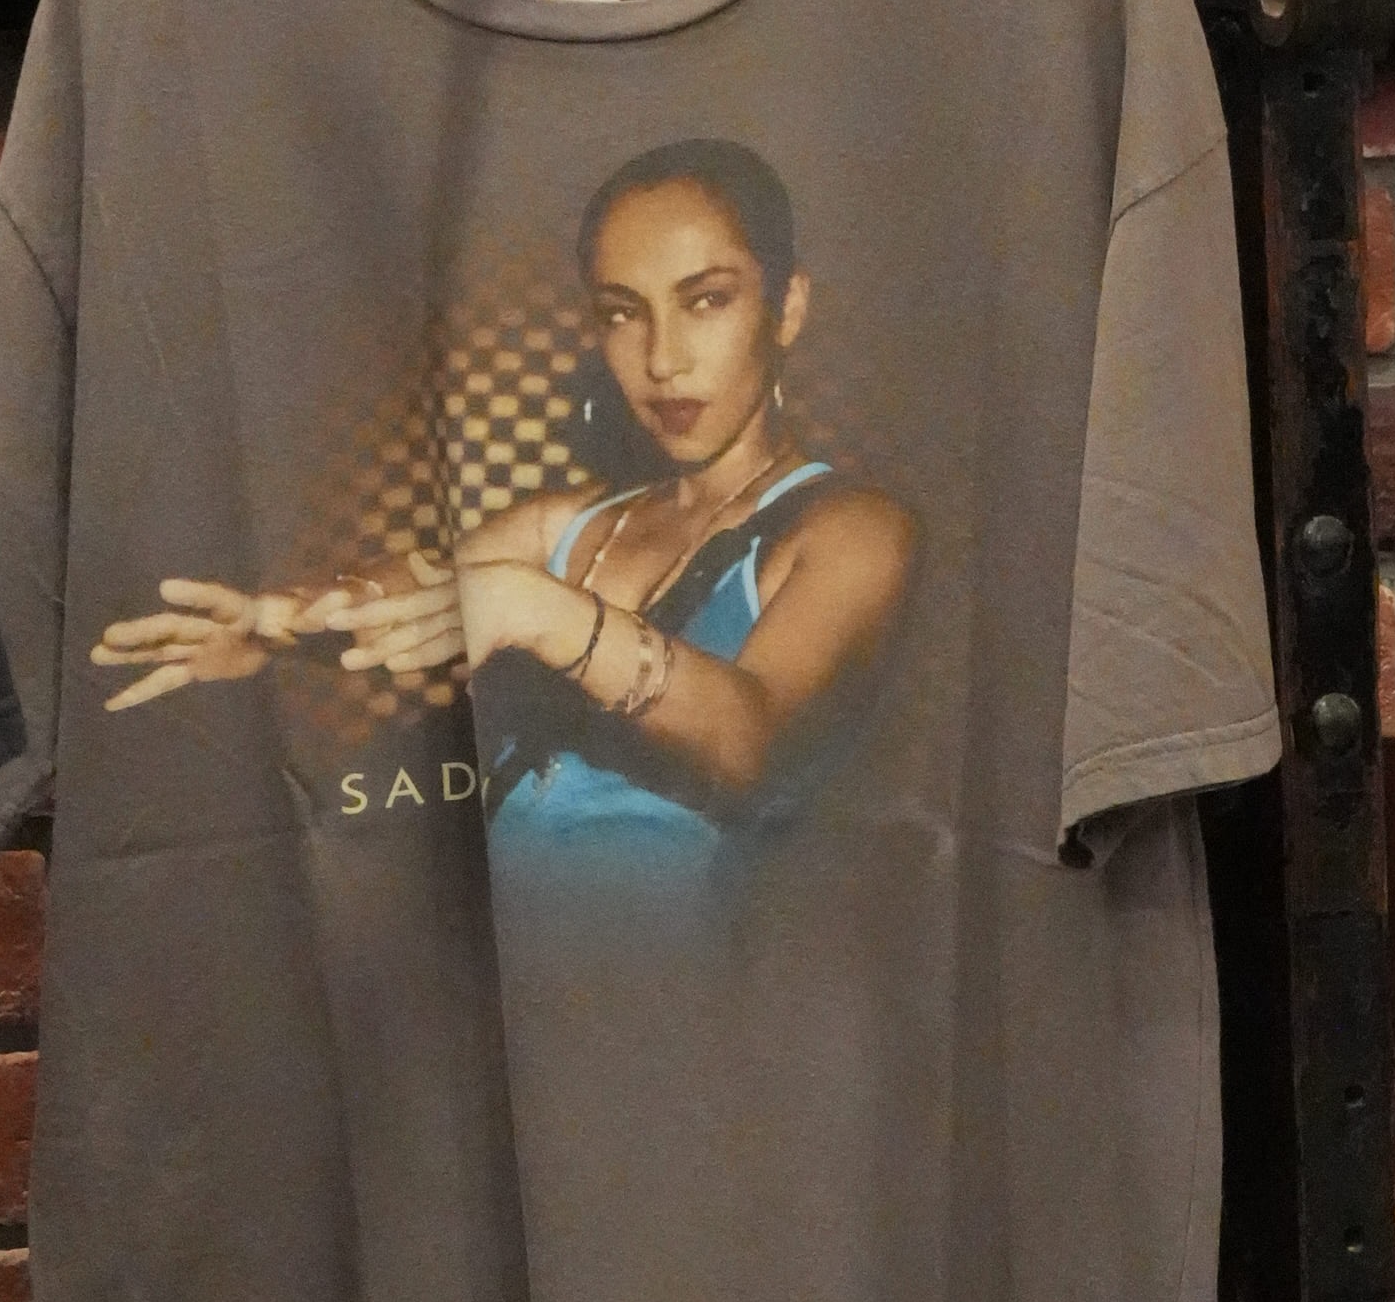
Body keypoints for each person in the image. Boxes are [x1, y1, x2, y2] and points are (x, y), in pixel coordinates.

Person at [90, 140, 914, 877]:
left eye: (706, 300)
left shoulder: (854, 529)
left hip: (678, 967)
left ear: (787, 307)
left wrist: (537, 610)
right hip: (504, 953)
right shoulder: (578, 524)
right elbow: (417, 588)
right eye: (622, 313)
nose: (663, 359)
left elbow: (751, 743)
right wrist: (279, 623)